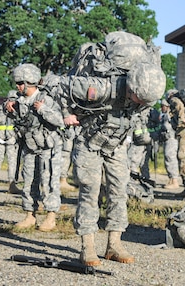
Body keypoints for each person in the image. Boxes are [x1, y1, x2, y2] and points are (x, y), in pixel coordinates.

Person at [63, 62, 166, 266]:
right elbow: (61, 86)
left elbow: (137, 118)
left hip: (116, 145)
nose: (144, 103)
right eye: (141, 98)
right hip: (89, 142)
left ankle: (114, 245)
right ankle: (87, 247)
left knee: (119, 191)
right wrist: (66, 114)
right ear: (131, 87)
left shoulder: (144, 96)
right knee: (90, 192)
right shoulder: (103, 87)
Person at [5, 63, 64, 232]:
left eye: (20, 83)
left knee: (49, 181)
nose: (17, 86)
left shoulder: (46, 99)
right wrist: (9, 107)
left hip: (48, 147)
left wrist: (43, 109)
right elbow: (10, 110)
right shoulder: (19, 100)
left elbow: (60, 121)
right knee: (29, 181)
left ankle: (51, 216)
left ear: (30, 82)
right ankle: (30, 215)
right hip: (30, 146)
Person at [160, 96, 180, 189]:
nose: (161, 108)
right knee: (168, 159)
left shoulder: (170, 115)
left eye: (163, 106)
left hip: (172, 139)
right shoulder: (164, 115)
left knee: (171, 159)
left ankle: (174, 181)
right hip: (167, 139)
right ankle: (171, 179)